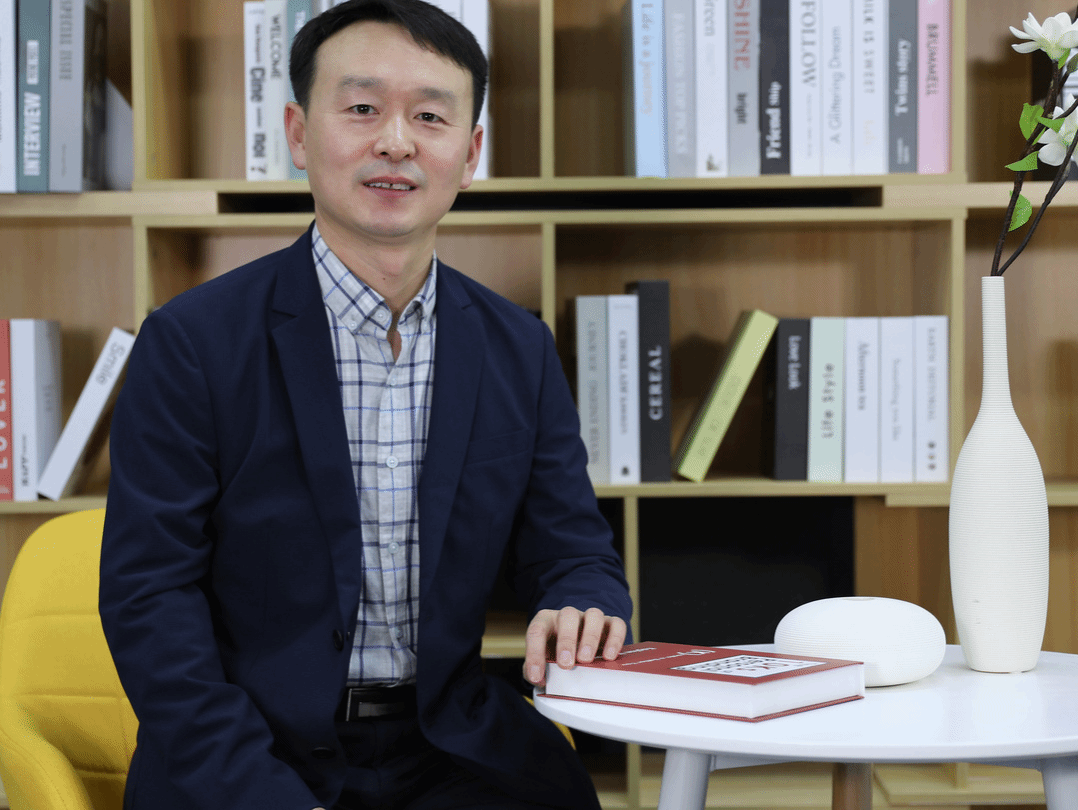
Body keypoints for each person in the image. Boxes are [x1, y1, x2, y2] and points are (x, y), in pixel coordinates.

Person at [98, 1, 632, 809]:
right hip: (248, 754)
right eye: (361, 108)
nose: (396, 141)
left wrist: (583, 600)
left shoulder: (518, 348)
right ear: (299, 134)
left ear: (470, 153)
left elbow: (572, 547)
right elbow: (149, 599)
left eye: (430, 116)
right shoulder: (191, 343)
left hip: (452, 749)